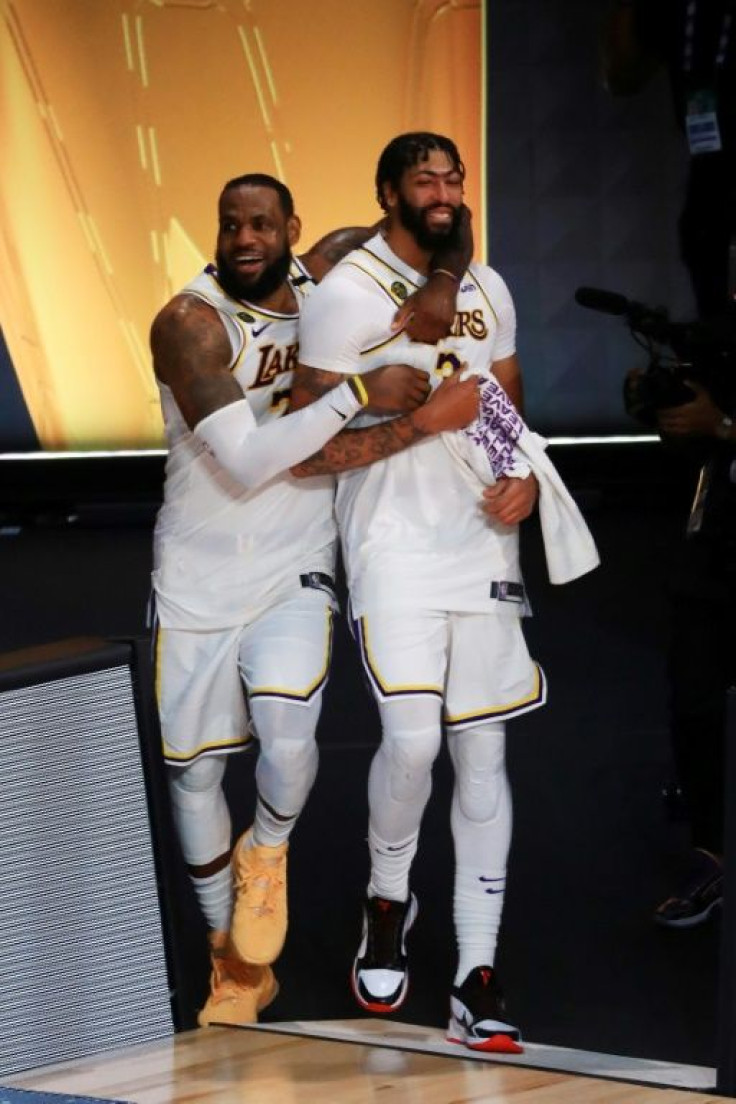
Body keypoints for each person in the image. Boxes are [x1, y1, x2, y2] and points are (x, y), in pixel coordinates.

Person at [149, 171, 481, 1027]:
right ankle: (233, 963)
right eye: (230, 225)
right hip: (194, 574)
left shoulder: (330, 271)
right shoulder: (188, 325)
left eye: (261, 223)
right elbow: (254, 461)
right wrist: (361, 397)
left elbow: (447, 220)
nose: (245, 238)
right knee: (192, 773)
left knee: (288, 731)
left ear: (293, 228)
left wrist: (443, 284)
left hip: (297, 558)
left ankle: (267, 850)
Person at [291, 132, 545, 1054]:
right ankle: (387, 900)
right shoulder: (345, 295)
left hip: (481, 537)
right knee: (411, 741)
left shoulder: (488, 287)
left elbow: (506, 400)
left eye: (453, 177)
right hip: (391, 543)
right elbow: (305, 451)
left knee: (483, 756)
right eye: (423, 179)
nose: (441, 191)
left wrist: (520, 476)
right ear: (387, 192)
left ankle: (478, 975)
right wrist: (414, 423)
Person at [604, 0, 736, 927]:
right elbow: (622, 68)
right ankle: (714, 857)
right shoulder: (713, 232)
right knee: (694, 672)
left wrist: (724, 424)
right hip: (721, 502)